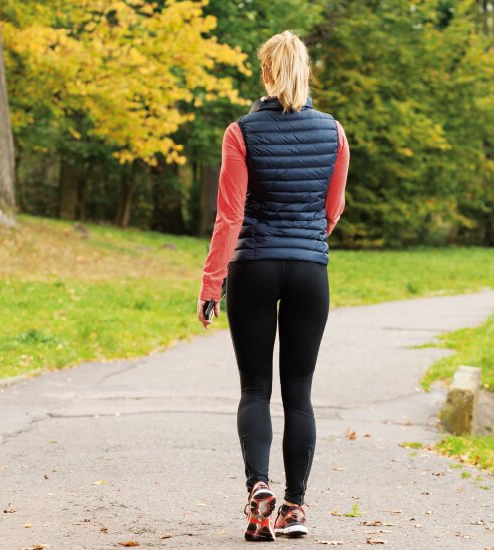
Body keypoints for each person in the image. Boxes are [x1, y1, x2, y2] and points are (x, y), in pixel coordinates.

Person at [196, 30, 349, 542]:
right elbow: (333, 210)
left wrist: (211, 283)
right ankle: (296, 507)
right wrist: (305, 241)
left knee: (255, 388)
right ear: (307, 72)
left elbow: (229, 215)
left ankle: (259, 491)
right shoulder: (333, 132)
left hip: (254, 267)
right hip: (310, 270)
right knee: (299, 395)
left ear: (265, 73)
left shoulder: (241, 132)